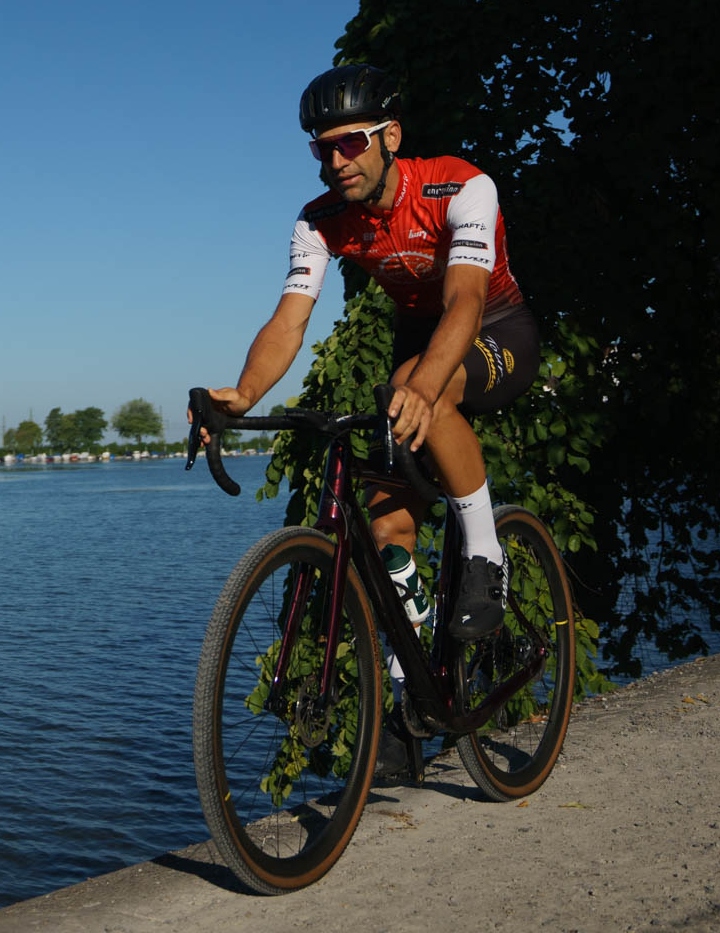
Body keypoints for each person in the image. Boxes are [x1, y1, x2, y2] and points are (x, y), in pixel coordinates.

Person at [196, 64, 541, 775]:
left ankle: (486, 557)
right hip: (419, 342)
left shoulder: (459, 187)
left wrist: (425, 384)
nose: (336, 161)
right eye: (322, 148)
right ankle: (416, 695)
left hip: (494, 327)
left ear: (391, 137)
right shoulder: (320, 219)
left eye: (350, 143)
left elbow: (466, 302)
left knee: (415, 389)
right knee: (387, 531)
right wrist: (244, 394)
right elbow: (289, 322)